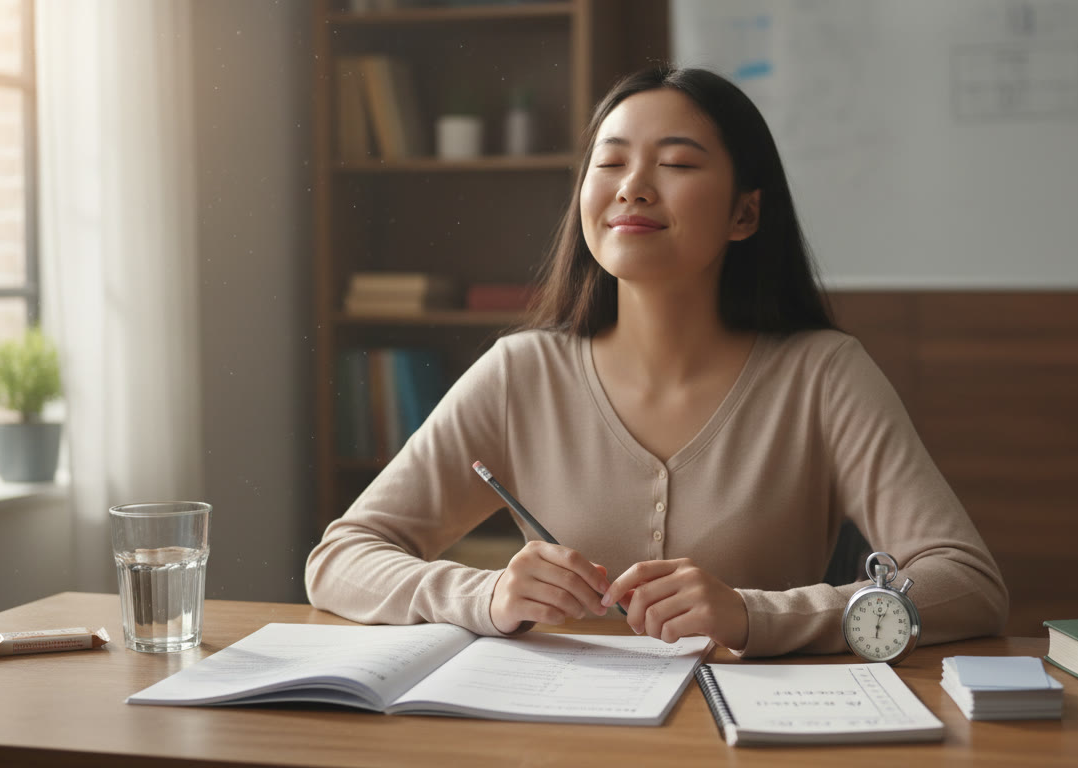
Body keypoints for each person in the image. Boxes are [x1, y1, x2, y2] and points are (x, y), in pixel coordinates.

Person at [305, 66, 1008, 657]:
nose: (631, 187)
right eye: (609, 163)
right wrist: (485, 593)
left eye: (675, 164)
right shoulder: (521, 373)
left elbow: (967, 584)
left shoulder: (823, 374)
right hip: (559, 736)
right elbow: (340, 560)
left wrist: (754, 615)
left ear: (745, 215)